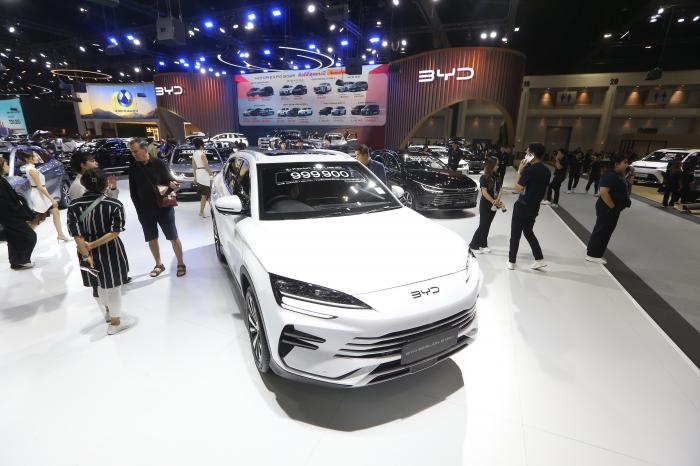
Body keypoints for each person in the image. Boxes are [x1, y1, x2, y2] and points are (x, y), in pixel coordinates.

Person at [68, 168, 136, 335]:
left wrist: (86, 252)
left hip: (84, 251)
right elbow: (115, 232)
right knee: (113, 286)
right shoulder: (114, 204)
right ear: (105, 183)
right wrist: (93, 245)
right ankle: (115, 323)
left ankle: (107, 313)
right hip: (110, 249)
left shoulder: (74, 206)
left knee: (96, 283)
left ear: (83, 184)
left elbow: (76, 234)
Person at [128, 138, 187, 278]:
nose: (134, 154)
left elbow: (169, 180)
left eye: (135, 151)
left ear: (145, 150)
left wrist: (172, 184)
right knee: (151, 238)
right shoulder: (133, 167)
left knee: (173, 236)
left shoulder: (158, 163)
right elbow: (133, 192)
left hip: (164, 207)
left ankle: (180, 263)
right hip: (145, 211)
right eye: (132, 152)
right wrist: (139, 211)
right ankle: (159, 264)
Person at [508, 143, 550, 270]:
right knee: (528, 232)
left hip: (522, 206)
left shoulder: (529, 170)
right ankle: (539, 259)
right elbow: (545, 189)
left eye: (527, 152)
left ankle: (511, 262)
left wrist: (520, 171)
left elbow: (517, 189)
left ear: (532, 154)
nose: (526, 154)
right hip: (534, 207)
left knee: (515, 234)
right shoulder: (547, 170)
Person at [16, 149, 71, 241]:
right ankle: (23, 237)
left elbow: (32, 185)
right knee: (40, 218)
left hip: (39, 194)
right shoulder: (32, 170)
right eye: (35, 156)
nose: (38, 157)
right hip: (39, 195)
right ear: (28, 159)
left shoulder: (30, 168)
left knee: (50, 214)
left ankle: (60, 234)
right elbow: (40, 187)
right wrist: (51, 199)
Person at [586, 155, 631, 264]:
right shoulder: (610, 175)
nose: (627, 164)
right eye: (624, 162)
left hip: (612, 208)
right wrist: (613, 208)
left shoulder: (618, 175)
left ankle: (594, 251)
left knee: (605, 230)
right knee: (602, 230)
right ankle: (593, 255)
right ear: (616, 164)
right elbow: (603, 192)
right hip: (607, 208)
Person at [0, 156, 38, 270]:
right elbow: (4, 202)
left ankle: (16, 262)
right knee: (30, 236)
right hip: (10, 216)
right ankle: (22, 260)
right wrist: (17, 211)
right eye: (6, 164)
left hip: (8, 216)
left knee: (13, 238)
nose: (8, 166)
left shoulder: (2, 180)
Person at [469, 157, 504, 254]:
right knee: (483, 225)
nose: (498, 166)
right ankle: (473, 245)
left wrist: (497, 200)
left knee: (487, 225)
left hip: (495, 204)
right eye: (496, 165)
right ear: (491, 165)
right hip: (486, 204)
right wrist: (493, 201)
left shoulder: (497, 176)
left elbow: (500, 189)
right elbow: (484, 192)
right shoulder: (484, 177)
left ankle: (483, 244)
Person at [191, 138, 213, 218]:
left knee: (207, 194)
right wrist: (211, 172)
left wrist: (195, 177)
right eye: (203, 145)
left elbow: (193, 166)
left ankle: (213, 210)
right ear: (201, 146)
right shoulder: (202, 154)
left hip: (199, 174)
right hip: (204, 175)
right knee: (205, 195)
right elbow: (206, 166)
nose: (203, 147)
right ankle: (201, 212)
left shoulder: (194, 154)